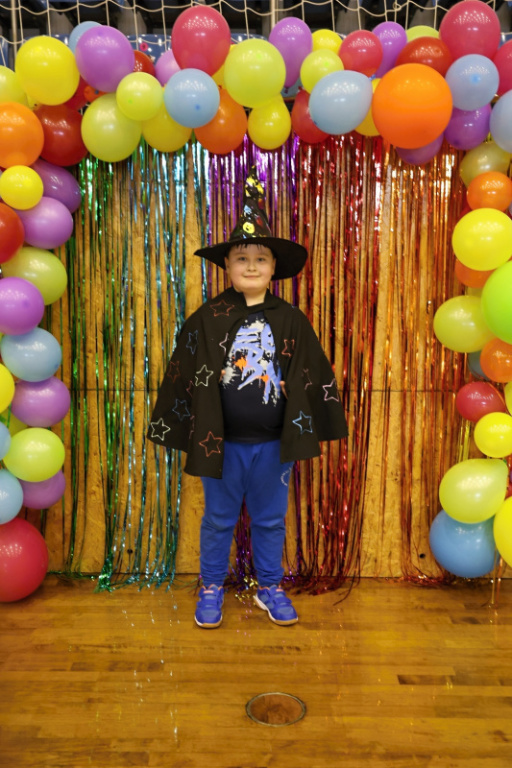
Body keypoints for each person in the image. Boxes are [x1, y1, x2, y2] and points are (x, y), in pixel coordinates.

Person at [147, 166, 348, 629]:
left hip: (274, 444)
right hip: (222, 443)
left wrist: (295, 392)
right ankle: (211, 586)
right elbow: (184, 371)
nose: (252, 266)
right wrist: (209, 381)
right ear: (228, 267)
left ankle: (270, 587)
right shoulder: (208, 317)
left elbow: (311, 372)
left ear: (274, 268)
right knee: (219, 518)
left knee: (270, 519)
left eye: (260, 258)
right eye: (242, 258)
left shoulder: (291, 319)